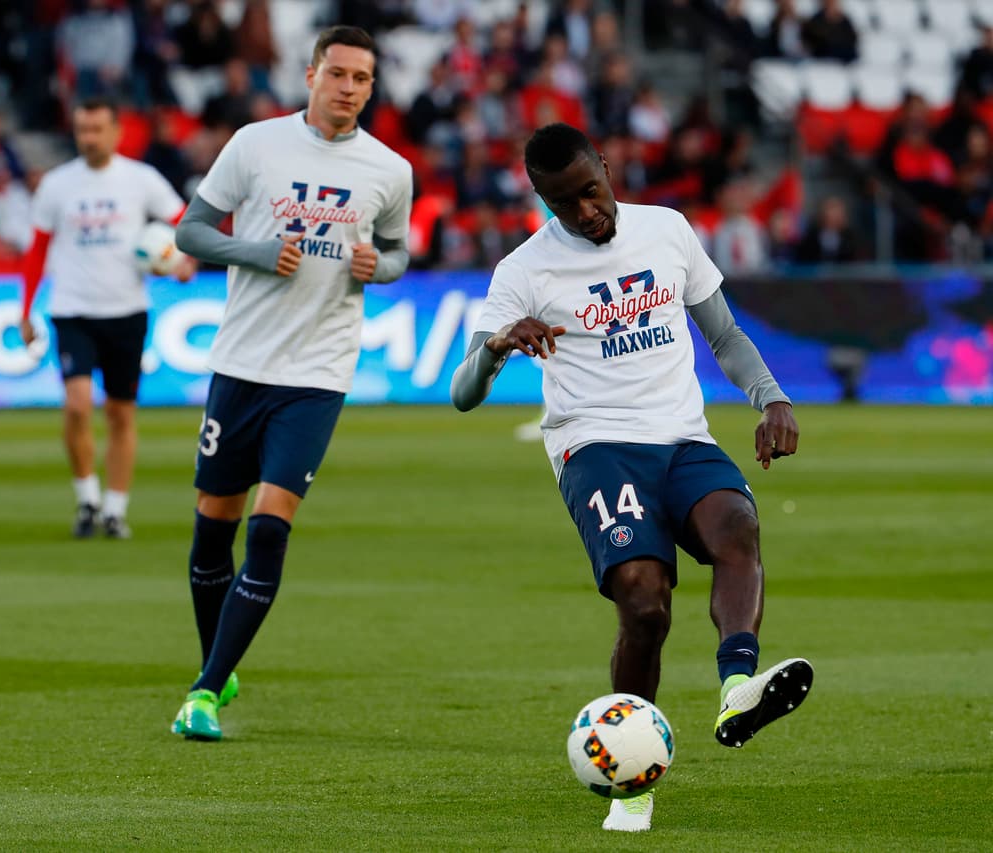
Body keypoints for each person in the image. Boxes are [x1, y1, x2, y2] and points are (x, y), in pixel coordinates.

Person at [450, 123, 811, 832]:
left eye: (589, 191)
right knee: (645, 602)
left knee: (736, 525)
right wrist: (496, 346)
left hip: (681, 436)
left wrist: (771, 396)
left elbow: (725, 334)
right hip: (596, 447)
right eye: (564, 204)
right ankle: (630, 784)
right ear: (542, 202)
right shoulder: (524, 271)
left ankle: (738, 688)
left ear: (606, 168)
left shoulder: (666, 230)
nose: (585, 211)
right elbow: (463, 390)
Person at [168, 25, 413, 741]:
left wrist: (382, 267)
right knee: (212, 532)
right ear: (310, 75)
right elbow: (190, 232)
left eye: (361, 79)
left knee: (268, 528)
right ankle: (220, 657)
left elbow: (397, 251)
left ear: (371, 87)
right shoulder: (255, 144)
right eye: (336, 73)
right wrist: (255, 250)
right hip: (242, 363)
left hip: (317, 373)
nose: (348, 88)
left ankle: (206, 690)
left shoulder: (388, 169)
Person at [19, 97, 194, 540]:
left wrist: (186, 258)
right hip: (73, 309)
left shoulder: (141, 179)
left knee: (120, 412)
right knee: (77, 405)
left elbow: (183, 221)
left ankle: (115, 509)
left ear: (117, 132)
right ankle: (86, 499)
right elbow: (37, 249)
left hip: (127, 310)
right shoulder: (58, 185)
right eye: (82, 130)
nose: (89, 138)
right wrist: (25, 310)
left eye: (97, 129)